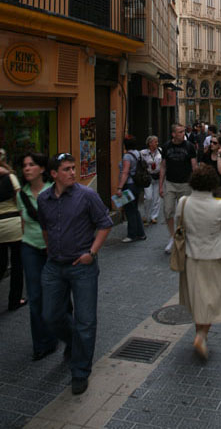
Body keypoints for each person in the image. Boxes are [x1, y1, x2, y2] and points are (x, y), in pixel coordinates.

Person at [38, 152, 112, 394]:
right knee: (50, 315)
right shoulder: (44, 199)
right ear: (53, 174)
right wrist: (50, 251)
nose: (72, 173)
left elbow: (105, 223)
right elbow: (46, 228)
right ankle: (73, 341)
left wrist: (91, 252)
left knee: (85, 320)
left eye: (73, 168)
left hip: (83, 266)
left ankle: (80, 370)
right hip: (54, 266)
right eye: (67, 169)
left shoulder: (87, 195)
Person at [175, 164, 221, 359]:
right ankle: (201, 335)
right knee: (212, 299)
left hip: (191, 257)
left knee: (197, 297)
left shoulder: (183, 202)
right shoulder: (220, 205)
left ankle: (199, 333)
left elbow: (178, 224)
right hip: (214, 257)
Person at [18, 153, 57, 360]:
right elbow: (23, 223)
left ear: (42, 169)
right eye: (24, 165)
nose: (27, 168)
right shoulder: (21, 194)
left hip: (54, 248)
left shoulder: (53, 191)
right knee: (35, 296)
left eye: (31, 164)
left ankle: (58, 332)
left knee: (55, 294)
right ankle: (41, 344)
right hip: (30, 247)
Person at [160, 123, 197, 254]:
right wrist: (160, 185)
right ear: (173, 134)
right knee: (168, 210)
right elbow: (163, 166)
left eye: (183, 131)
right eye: (180, 132)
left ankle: (181, 237)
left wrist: (196, 184)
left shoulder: (190, 146)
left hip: (185, 184)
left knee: (183, 213)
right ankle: (172, 236)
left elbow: (194, 166)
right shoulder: (166, 147)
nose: (183, 134)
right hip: (170, 183)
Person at [0, 155, 26, 311]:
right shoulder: (10, 177)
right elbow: (19, 201)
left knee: (1, 265)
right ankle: (14, 300)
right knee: (17, 265)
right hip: (14, 225)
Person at [116, 136, 146, 243]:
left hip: (128, 185)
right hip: (137, 185)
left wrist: (119, 187)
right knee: (135, 209)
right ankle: (141, 233)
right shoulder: (138, 154)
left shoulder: (127, 157)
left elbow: (125, 172)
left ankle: (132, 234)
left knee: (129, 210)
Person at [201, 134, 221, 200]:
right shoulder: (206, 154)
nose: (212, 144)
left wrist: (219, 155)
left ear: (220, 145)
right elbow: (202, 170)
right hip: (209, 187)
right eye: (211, 142)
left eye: (215, 143)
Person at [140, 135, 162, 225]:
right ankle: (145, 215)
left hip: (158, 176)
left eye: (157, 141)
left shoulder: (161, 151)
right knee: (148, 197)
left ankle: (154, 217)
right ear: (149, 143)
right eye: (155, 142)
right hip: (148, 177)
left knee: (157, 198)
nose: (157, 143)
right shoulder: (143, 153)